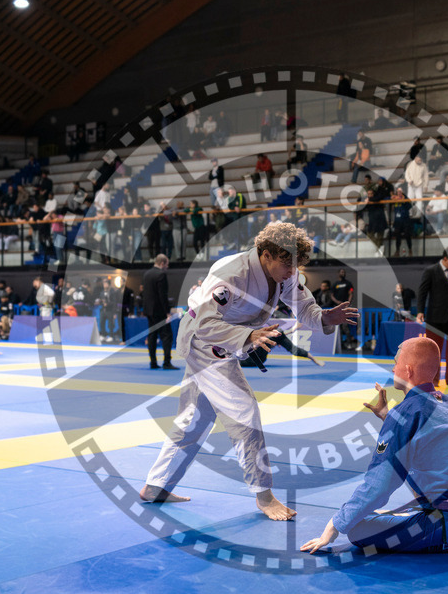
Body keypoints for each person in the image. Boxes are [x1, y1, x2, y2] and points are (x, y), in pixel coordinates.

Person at [140, 222, 359, 520]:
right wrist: (250, 336)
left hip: (224, 342)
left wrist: (324, 318)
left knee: (194, 419)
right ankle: (264, 495)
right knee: (244, 411)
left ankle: (155, 486)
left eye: (296, 265)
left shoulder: (284, 274)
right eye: (287, 264)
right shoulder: (231, 274)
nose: (292, 271)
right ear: (267, 255)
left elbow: (304, 306)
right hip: (203, 342)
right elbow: (205, 323)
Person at [300, 336, 448, 555]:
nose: (393, 368)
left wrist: (334, 526)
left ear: (407, 370)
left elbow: (379, 486)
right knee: (415, 466)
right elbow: (427, 440)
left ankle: (432, 524)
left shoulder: (404, 415)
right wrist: (387, 417)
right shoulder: (445, 402)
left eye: (395, 363)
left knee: (358, 530)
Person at [417, 248, 448, 388]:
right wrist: (420, 311)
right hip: (435, 317)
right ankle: (432, 379)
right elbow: (422, 292)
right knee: (433, 350)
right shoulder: (431, 271)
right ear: (445, 259)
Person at [142, 253, 176, 370]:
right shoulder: (161, 274)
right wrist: (167, 312)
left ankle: (153, 362)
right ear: (162, 263)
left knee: (152, 336)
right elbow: (163, 295)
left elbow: (145, 294)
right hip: (159, 311)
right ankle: (167, 362)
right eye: (167, 264)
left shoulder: (147, 274)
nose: (167, 267)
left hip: (149, 310)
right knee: (167, 336)